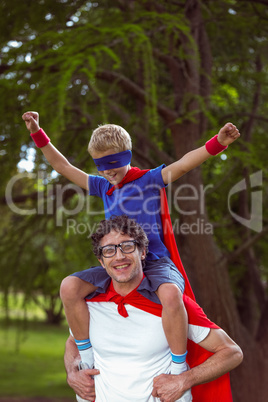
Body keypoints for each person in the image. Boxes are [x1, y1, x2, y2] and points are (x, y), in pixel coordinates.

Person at [22, 112, 240, 391]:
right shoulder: (102, 187)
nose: (108, 171)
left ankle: (178, 363)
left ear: (127, 156)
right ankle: (86, 354)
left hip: (156, 261)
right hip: (117, 262)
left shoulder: (148, 180)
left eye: (113, 163)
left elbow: (184, 164)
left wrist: (218, 142)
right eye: (101, 165)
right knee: (70, 287)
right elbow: (62, 165)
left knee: (172, 294)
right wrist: (37, 132)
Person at [64, 215, 243, 402]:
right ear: (101, 262)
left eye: (127, 246)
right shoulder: (90, 302)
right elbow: (72, 343)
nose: (119, 256)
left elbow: (232, 352)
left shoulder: (171, 304)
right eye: (109, 250)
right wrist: (73, 371)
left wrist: (184, 379)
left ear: (142, 253)